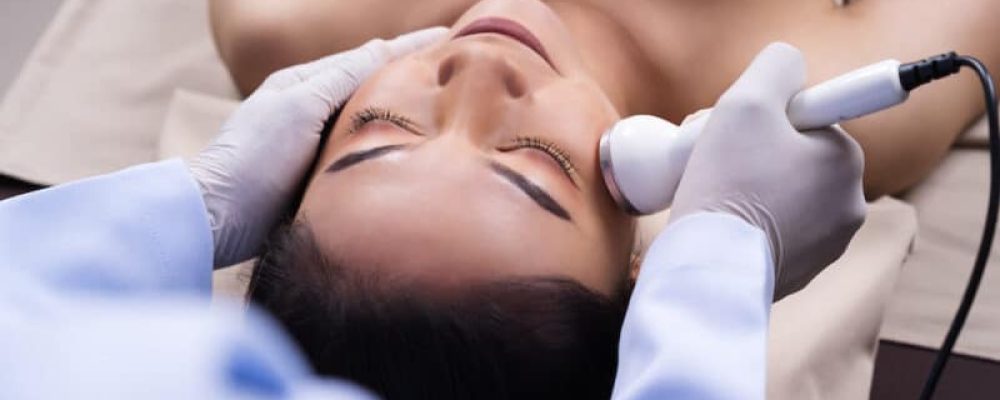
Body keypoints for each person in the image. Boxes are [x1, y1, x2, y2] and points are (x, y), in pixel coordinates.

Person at [0, 21, 865, 398]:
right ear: (645, 268)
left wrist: (199, 202)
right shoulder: (826, 89)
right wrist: (723, 253)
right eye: (540, 165)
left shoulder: (288, 23)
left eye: (377, 130)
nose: (478, 73)